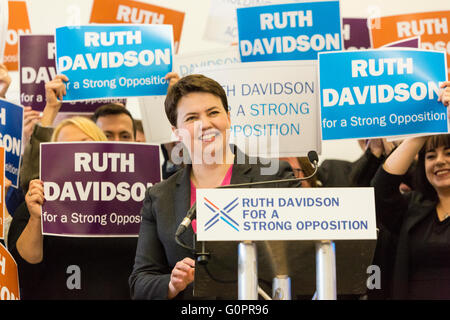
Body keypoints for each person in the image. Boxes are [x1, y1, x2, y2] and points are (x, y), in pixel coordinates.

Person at [129, 74, 300, 300]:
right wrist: (172, 284)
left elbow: (302, 263)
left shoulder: (275, 177)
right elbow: (140, 282)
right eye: (191, 118)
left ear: (228, 117)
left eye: (213, 112)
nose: (206, 124)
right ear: (176, 132)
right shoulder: (159, 197)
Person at [8, 116, 138, 299]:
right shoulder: (35, 206)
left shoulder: (135, 202)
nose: (77, 153)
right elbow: (23, 275)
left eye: (85, 144)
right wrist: (36, 220)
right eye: (65, 148)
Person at [371, 81, 450, 299]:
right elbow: (380, 191)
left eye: (448, 153)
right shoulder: (412, 209)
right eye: (431, 155)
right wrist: (423, 129)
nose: (440, 161)